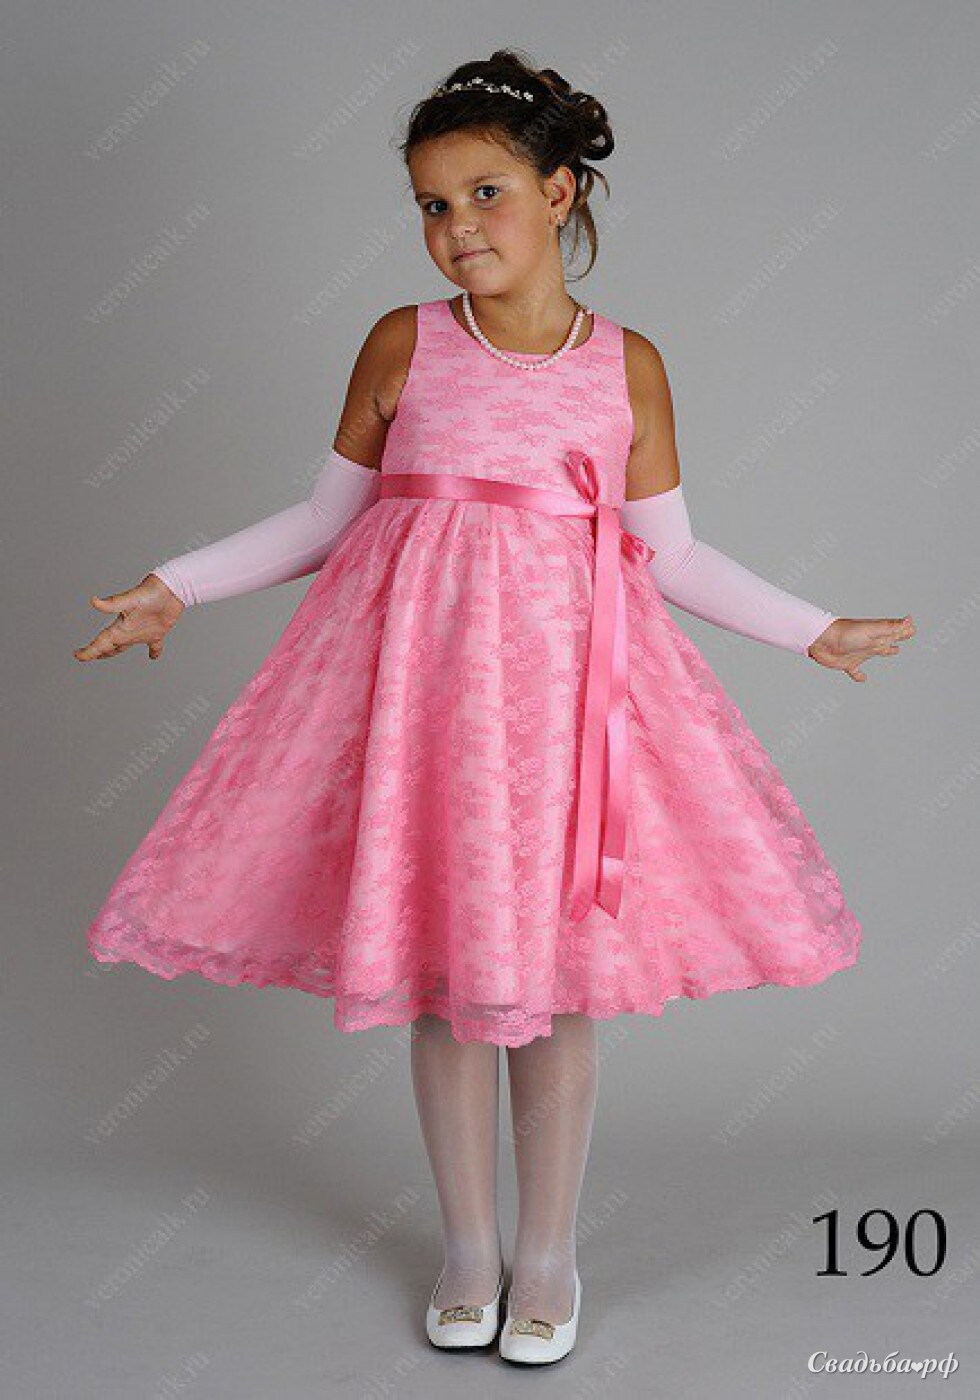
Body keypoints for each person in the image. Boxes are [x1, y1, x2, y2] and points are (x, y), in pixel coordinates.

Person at [74, 49, 915, 1366]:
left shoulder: (626, 365)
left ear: (560, 191)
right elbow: (322, 520)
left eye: (486, 193)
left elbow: (673, 554)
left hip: (567, 723)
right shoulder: (404, 343)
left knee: (553, 988)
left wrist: (813, 629)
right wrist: (177, 584)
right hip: (428, 717)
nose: (458, 226)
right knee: (445, 983)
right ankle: (468, 1248)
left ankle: (548, 1257)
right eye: (432, 204)